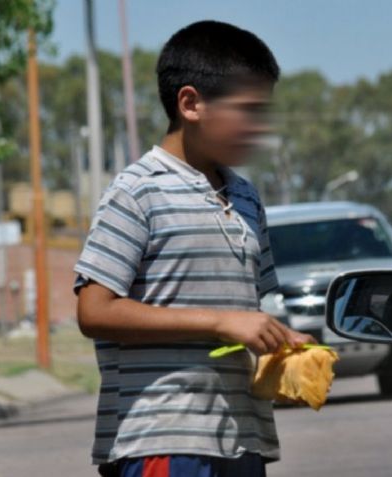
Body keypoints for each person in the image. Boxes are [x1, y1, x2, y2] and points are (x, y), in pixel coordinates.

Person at [74, 20, 314, 477]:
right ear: (191, 103)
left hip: (242, 438)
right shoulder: (137, 191)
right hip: (163, 437)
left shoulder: (246, 198)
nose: (258, 128)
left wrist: (278, 341)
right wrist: (222, 323)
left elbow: (242, 313)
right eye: (248, 111)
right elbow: (95, 311)